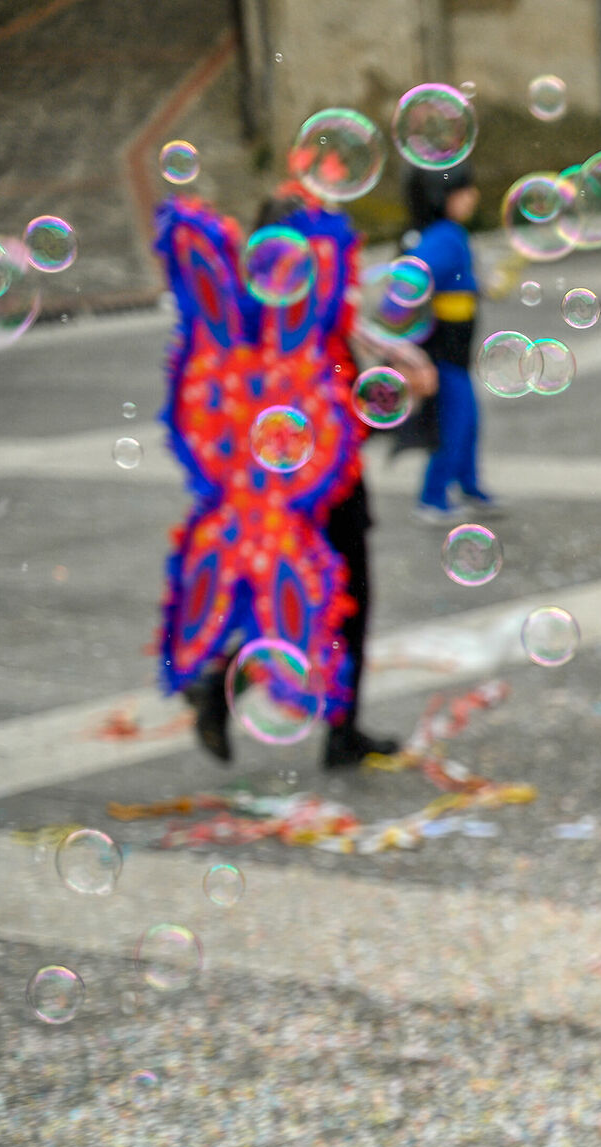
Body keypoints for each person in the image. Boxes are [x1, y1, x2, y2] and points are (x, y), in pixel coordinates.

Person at [157, 190, 408, 769]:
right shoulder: (315, 330)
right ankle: (334, 730)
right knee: (345, 607)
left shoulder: (255, 328)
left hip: (282, 503)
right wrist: (391, 393)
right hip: (329, 497)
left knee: (295, 607)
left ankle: (223, 686)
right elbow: (345, 419)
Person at [404, 163, 492, 522]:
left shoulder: (451, 233)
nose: (474, 196)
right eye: (465, 190)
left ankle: (469, 484)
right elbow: (412, 277)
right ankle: (432, 495)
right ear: (444, 198)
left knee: (468, 421)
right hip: (443, 350)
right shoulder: (444, 236)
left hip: (455, 350)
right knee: (456, 421)